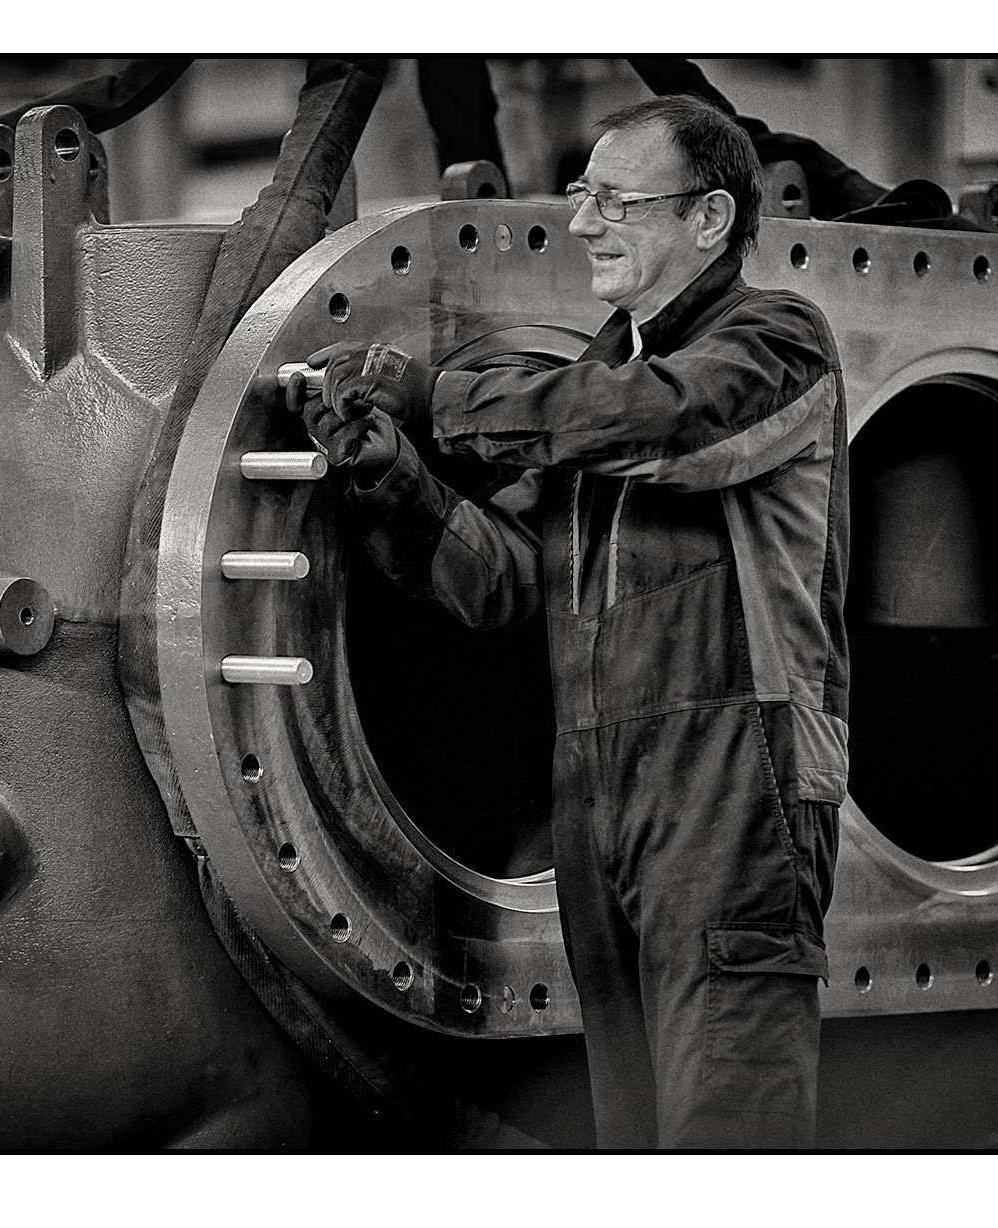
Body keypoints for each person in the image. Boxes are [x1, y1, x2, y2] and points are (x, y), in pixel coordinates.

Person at [291, 94, 844, 1148]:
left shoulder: (775, 346)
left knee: (729, 1126)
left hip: (736, 779)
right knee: (630, 1133)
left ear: (710, 221)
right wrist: (386, 474)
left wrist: (438, 395)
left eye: (615, 203)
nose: (582, 223)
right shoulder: (600, 380)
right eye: (582, 196)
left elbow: (667, 427)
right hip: (597, 796)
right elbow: (501, 580)